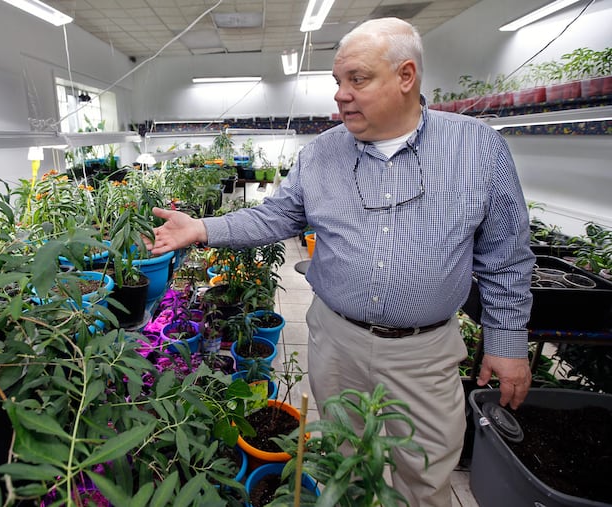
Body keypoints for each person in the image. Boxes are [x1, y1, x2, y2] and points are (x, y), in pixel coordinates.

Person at [148, 17, 534, 507]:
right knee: (340, 460)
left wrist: (506, 341)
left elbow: (506, 257)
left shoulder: (477, 149)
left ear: (406, 76)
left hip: (425, 353)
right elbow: (280, 216)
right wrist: (204, 228)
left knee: (426, 473)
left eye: (358, 79)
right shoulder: (322, 154)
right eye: (338, 82)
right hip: (336, 342)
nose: (341, 95)